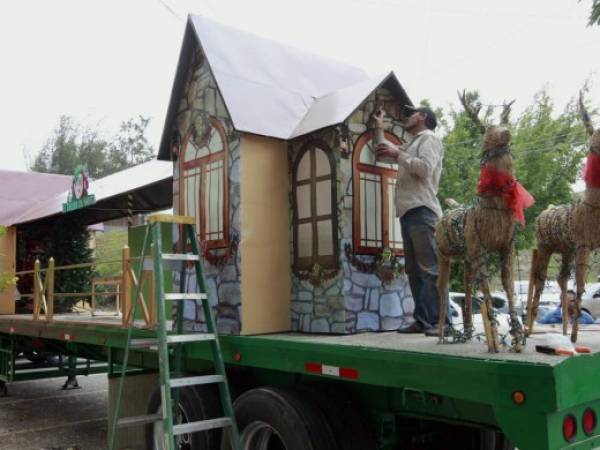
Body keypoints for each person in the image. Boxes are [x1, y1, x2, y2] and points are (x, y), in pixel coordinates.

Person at [374, 105, 449, 336]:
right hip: (409, 212)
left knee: (430, 269)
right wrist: (379, 128)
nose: (407, 117)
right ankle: (423, 320)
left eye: (412, 113)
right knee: (414, 271)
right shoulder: (414, 144)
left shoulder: (430, 140)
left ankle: (440, 323)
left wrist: (399, 154)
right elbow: (383, 150)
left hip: (423, 210)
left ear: (423, 117)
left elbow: (425, 169)